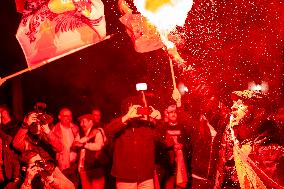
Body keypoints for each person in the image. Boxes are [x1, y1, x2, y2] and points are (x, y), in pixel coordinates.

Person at [215, 90, 284, 189]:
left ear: (260, 112)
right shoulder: (230, 136)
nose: (233, 107)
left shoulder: (274, 153)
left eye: (240, 104)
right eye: (234, 103)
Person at [103, 96, 163, 189]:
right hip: (125, 177)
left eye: (138, 108)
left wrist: (158, 120)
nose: (136, 111)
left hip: (146, 177)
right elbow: (107, 131)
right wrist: (127, 117)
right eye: (132, 108)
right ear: (126, 109)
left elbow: (161, 138)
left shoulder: (147, 126)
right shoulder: (119, 125)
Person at [72, 114, 107, 189]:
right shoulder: (80, 133)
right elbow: (74, 144)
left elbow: (99, 146)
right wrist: (86, 138)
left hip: (96, 168)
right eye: (80, 122)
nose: (81, 124)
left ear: (90, 122)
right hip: (83, 169)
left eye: (83, 122)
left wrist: (83, 145)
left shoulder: (98, 131)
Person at [51, 108, 79, 187]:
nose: (68, 118)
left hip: (75, 164)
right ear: (59, 117)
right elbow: (54, 148)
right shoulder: (54, 130)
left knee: (74, 185)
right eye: (65, 116)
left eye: (70, 116)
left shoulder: (75, 128)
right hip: (62, 165)